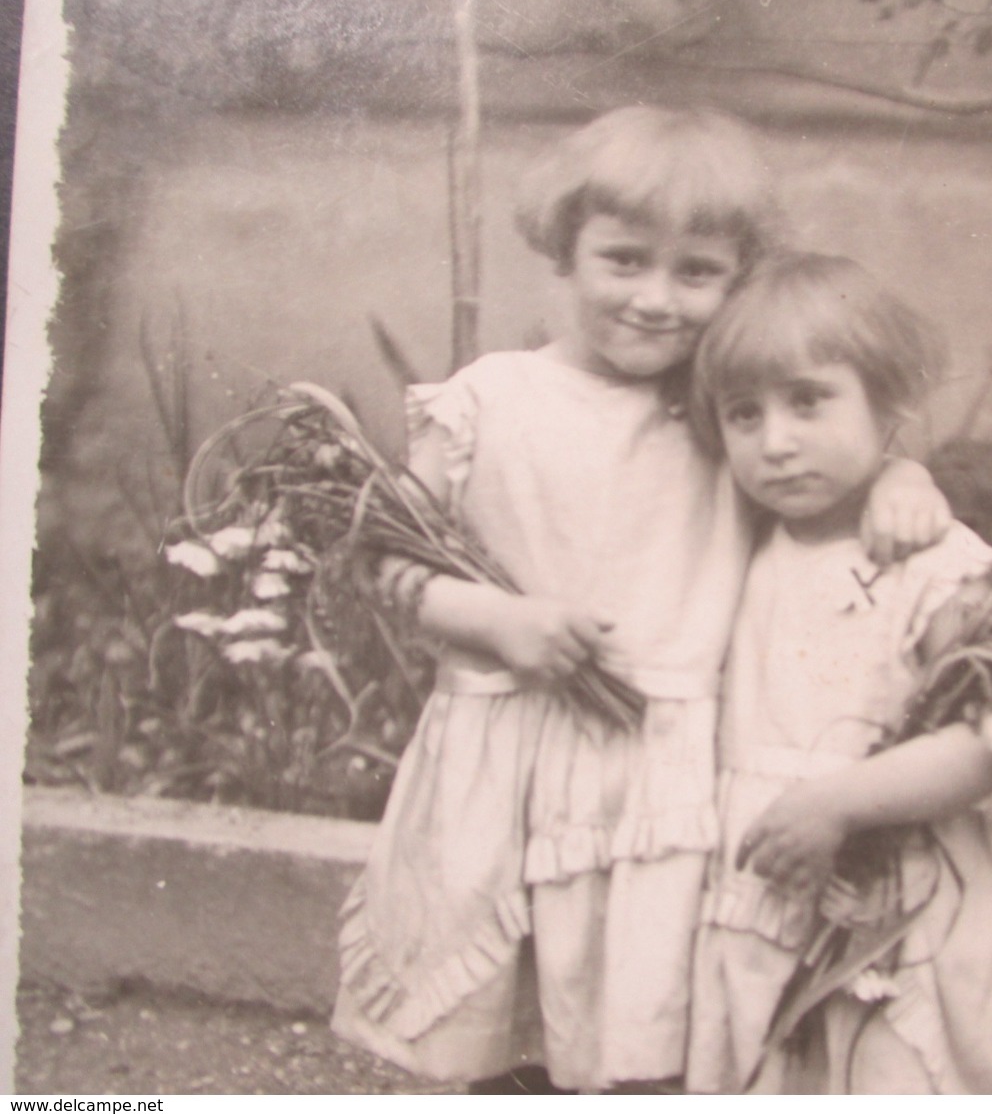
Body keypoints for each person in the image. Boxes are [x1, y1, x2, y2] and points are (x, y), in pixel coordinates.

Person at [329, 107, 950, 1093]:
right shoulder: (487, 400)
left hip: (661, 772)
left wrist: (899, 480)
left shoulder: (721, 408)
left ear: (735, 279)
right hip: (506, 750)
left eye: (696, 273)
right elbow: (377, 557)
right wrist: (490, 619)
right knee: (504, 1022)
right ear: (564, 254)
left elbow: (826, 458)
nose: (655, 300)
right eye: (622, 261)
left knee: (639, 1025)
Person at [686, 252, 992, 1094]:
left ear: (889, 407)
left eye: (809, 402)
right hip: (771, 897)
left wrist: (840, 802)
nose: (775, 442)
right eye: (744, 415)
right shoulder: (746, 541)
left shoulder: (933, 563)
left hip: (900, 907)